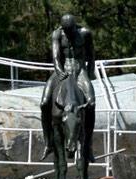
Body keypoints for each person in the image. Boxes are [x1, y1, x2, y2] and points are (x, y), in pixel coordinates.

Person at [39, 14, 96, 162]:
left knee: (91, 103)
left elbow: (91, 56)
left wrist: (89, 75)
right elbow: (56, 57)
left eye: (70, 29)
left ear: (74, 27)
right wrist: (60, 72)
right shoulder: (57, 34)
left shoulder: (85, 33)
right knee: (44, 103)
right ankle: (48, 143)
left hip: (80, 71)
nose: (68, 33)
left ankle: (88, 146)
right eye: (66, 30)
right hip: (62, 71)